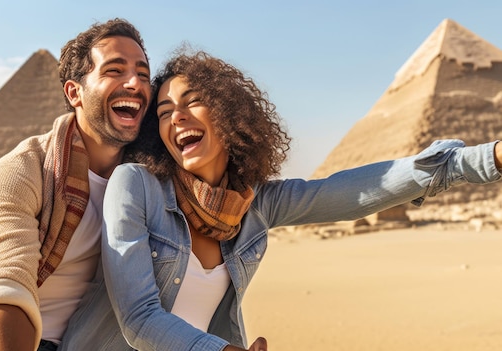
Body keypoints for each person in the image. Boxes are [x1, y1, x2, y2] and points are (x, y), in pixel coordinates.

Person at [93, 49, 502, 351]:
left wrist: (484, 159)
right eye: (164, 111)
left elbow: (357, 191)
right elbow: (139, 317)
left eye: (192, 101)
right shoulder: (136, 185)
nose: (176, 117)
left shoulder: (256, 204)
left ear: (227, 113)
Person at [0, 18, 151, 351]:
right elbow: (4, 280)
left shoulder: (153, 177)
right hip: (34, 338)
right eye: (114, 70)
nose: (135, 82)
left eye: (144, 73)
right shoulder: (22, 172)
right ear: (74, 92)